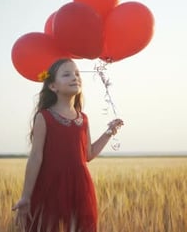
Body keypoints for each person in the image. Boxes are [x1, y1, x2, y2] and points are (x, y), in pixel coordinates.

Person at [12, 58, 124, 232]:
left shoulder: (83, 118)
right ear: (52, 86)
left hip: (81, 188)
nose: (75, 77)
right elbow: (35, 157)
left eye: (77, 74)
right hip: (51, 188)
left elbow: (87, 154)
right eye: (66, 74)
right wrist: (26, 197)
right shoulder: (44, 117)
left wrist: (109, 132)